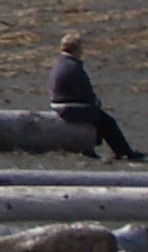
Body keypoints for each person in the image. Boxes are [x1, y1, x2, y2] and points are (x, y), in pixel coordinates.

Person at [48, 31, 138, 160]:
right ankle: (124, 152)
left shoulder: (59, 64)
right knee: (107, 121)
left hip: (58, 105)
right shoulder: (73, 67)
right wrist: (96, 102)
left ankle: (107, 145)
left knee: (100, 118)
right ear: (76, 49)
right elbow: (86, 91)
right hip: (70, 108)